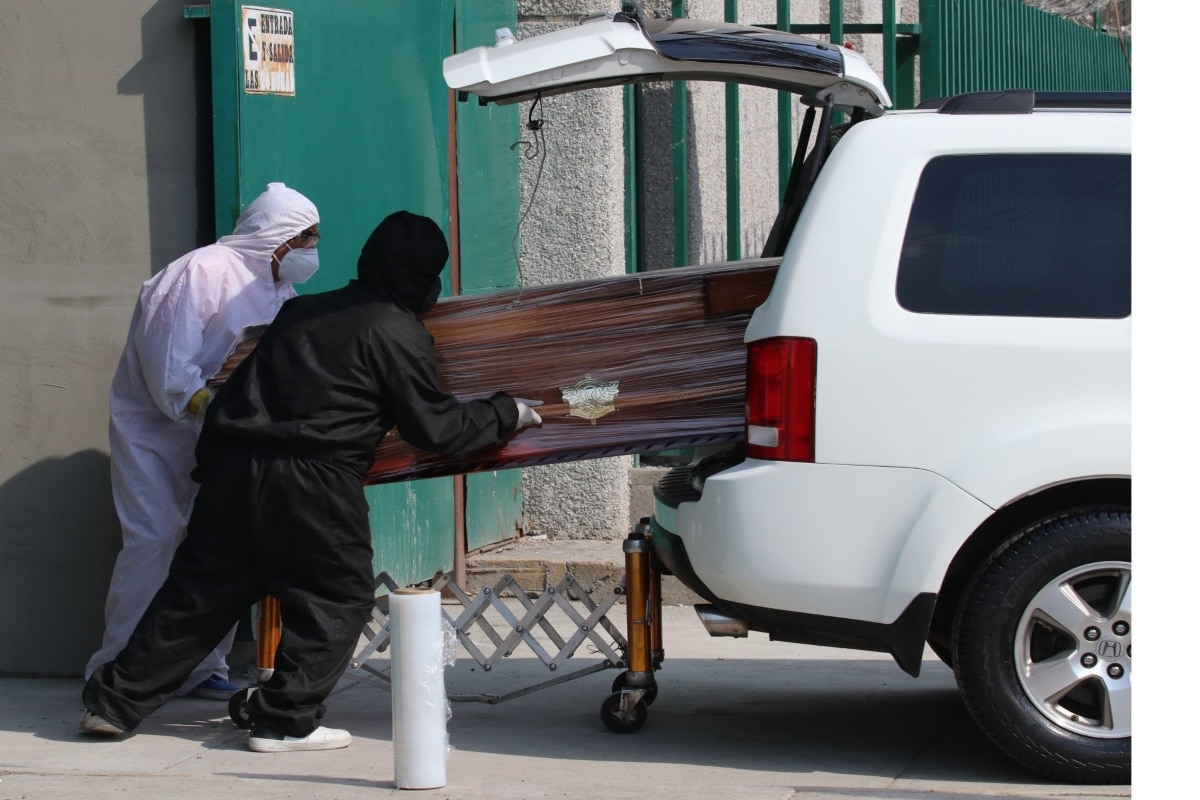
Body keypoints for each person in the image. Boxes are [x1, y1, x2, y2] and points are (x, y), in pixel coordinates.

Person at [80, 210, 543, 752]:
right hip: (314, 479)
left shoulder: (299, 311)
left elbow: (236, 394)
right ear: (426, 277)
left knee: (197, 597)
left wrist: (214, 468)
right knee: (336, 596)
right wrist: (506, 412)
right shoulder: (396, 330)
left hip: (234, 469)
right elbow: (435, 427)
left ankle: (111, 705)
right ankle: (282, 719)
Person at [87, 182, 322, 702]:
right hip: (156, 434)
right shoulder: (200, 273)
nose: (311, 251)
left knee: (212, 548)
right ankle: (119, 670)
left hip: (220, 438)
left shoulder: (277, 288)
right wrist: (211, 408)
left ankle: (197, 668)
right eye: (305, 238)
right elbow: (168, 366)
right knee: (154, 543)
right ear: (276, 236)